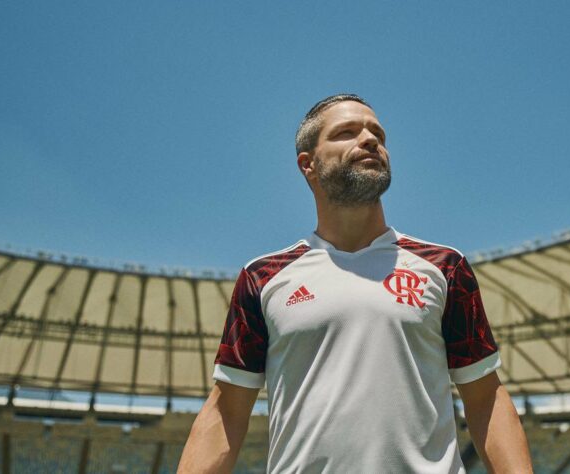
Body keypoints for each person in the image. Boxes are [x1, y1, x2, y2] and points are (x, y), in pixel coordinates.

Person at [179, 94, 532, 473]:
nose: (369, 139)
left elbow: (485, 400)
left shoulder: (445, 267)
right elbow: (226, 412)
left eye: (376, 132)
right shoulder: (263, 278)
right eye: (346, 132)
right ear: (308, 165)